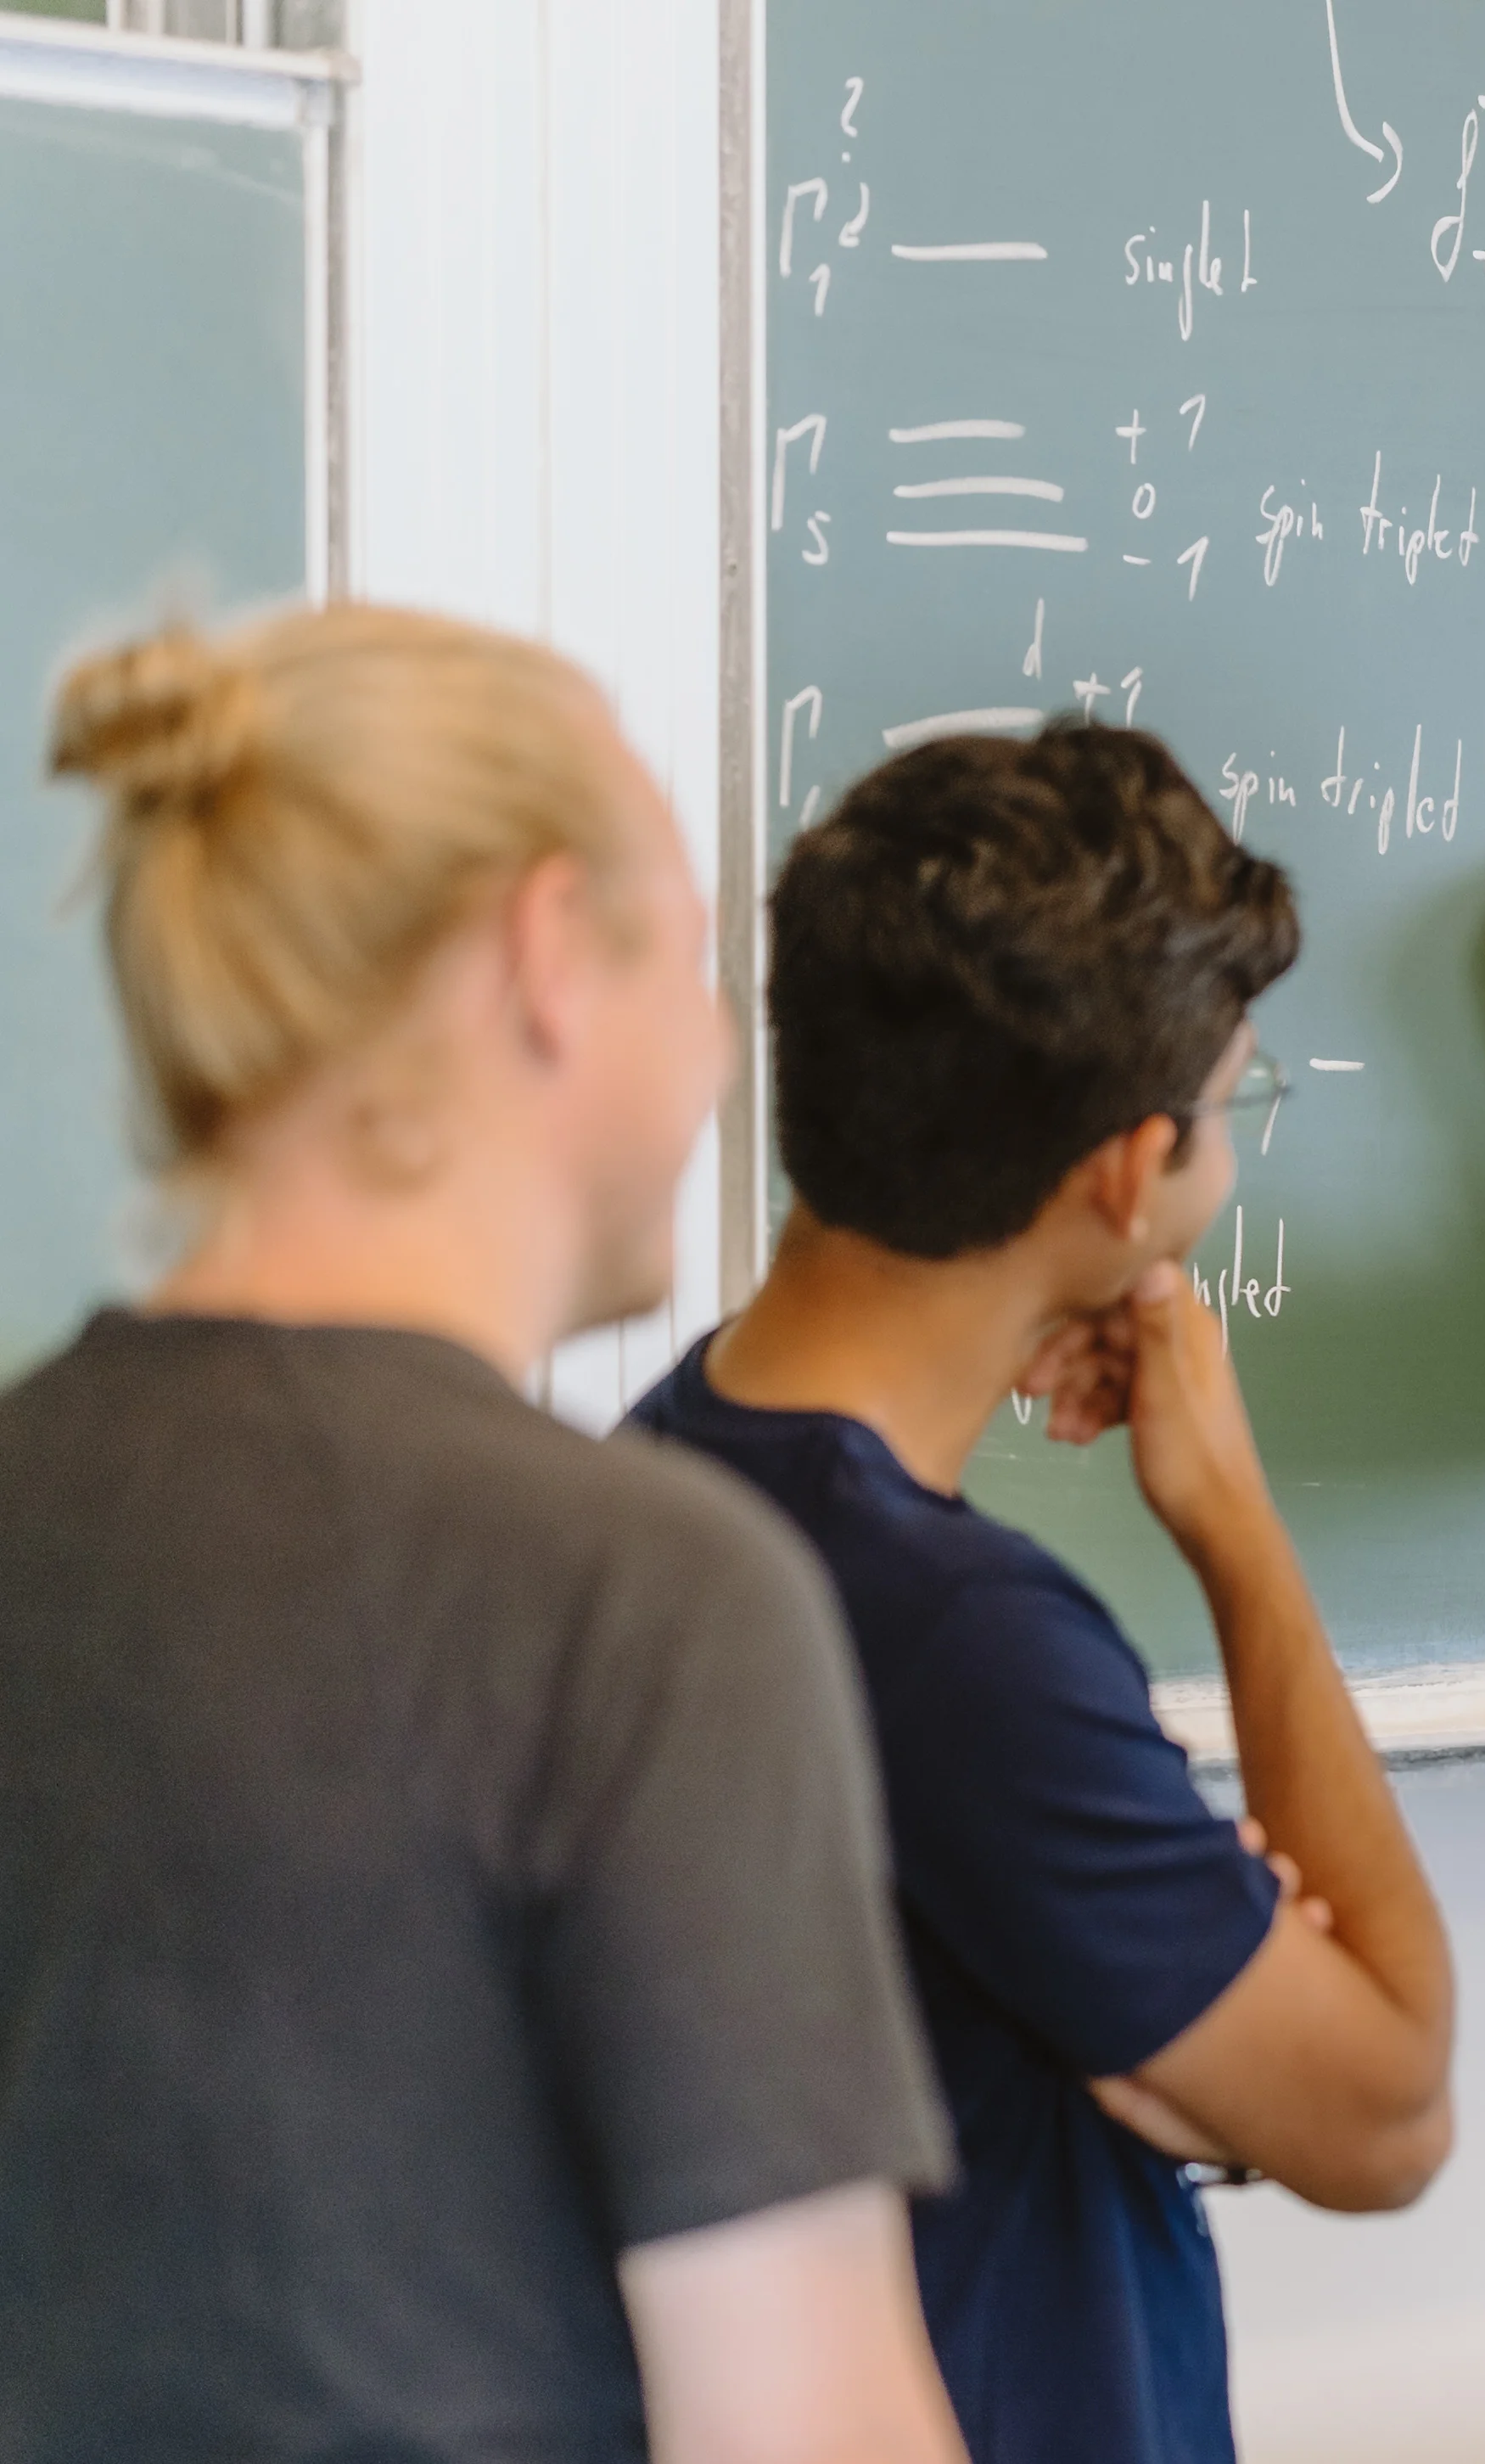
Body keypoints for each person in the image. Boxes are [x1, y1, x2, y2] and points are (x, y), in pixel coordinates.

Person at [0, 607, 963, 2463]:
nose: (713, 1059)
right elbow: (805, 2427)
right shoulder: (637, 1601)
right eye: (692, 959)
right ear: (544, 956)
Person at [630, 721, 1454, 2464]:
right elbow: (1385, 2106)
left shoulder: (652, 1490)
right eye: (1229, 1109)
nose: (1225, 1162)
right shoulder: (962, 1643)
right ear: (1117, 1175)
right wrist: (1234, 1530)